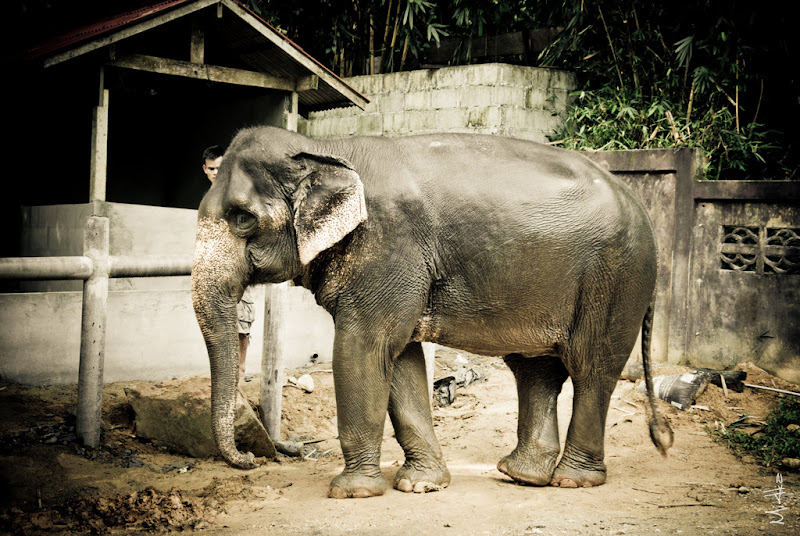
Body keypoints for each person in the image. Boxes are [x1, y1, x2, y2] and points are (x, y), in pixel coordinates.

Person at [202, 145, 255, 387]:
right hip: (215, 271)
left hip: (240, 269)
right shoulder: (207, 200)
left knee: (242, 325)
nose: (215, 172)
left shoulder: (238, 195)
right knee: (218, 326)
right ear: (205, 170)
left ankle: (241, 373)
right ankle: (224, 376)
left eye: (220, 168)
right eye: (211, 168)